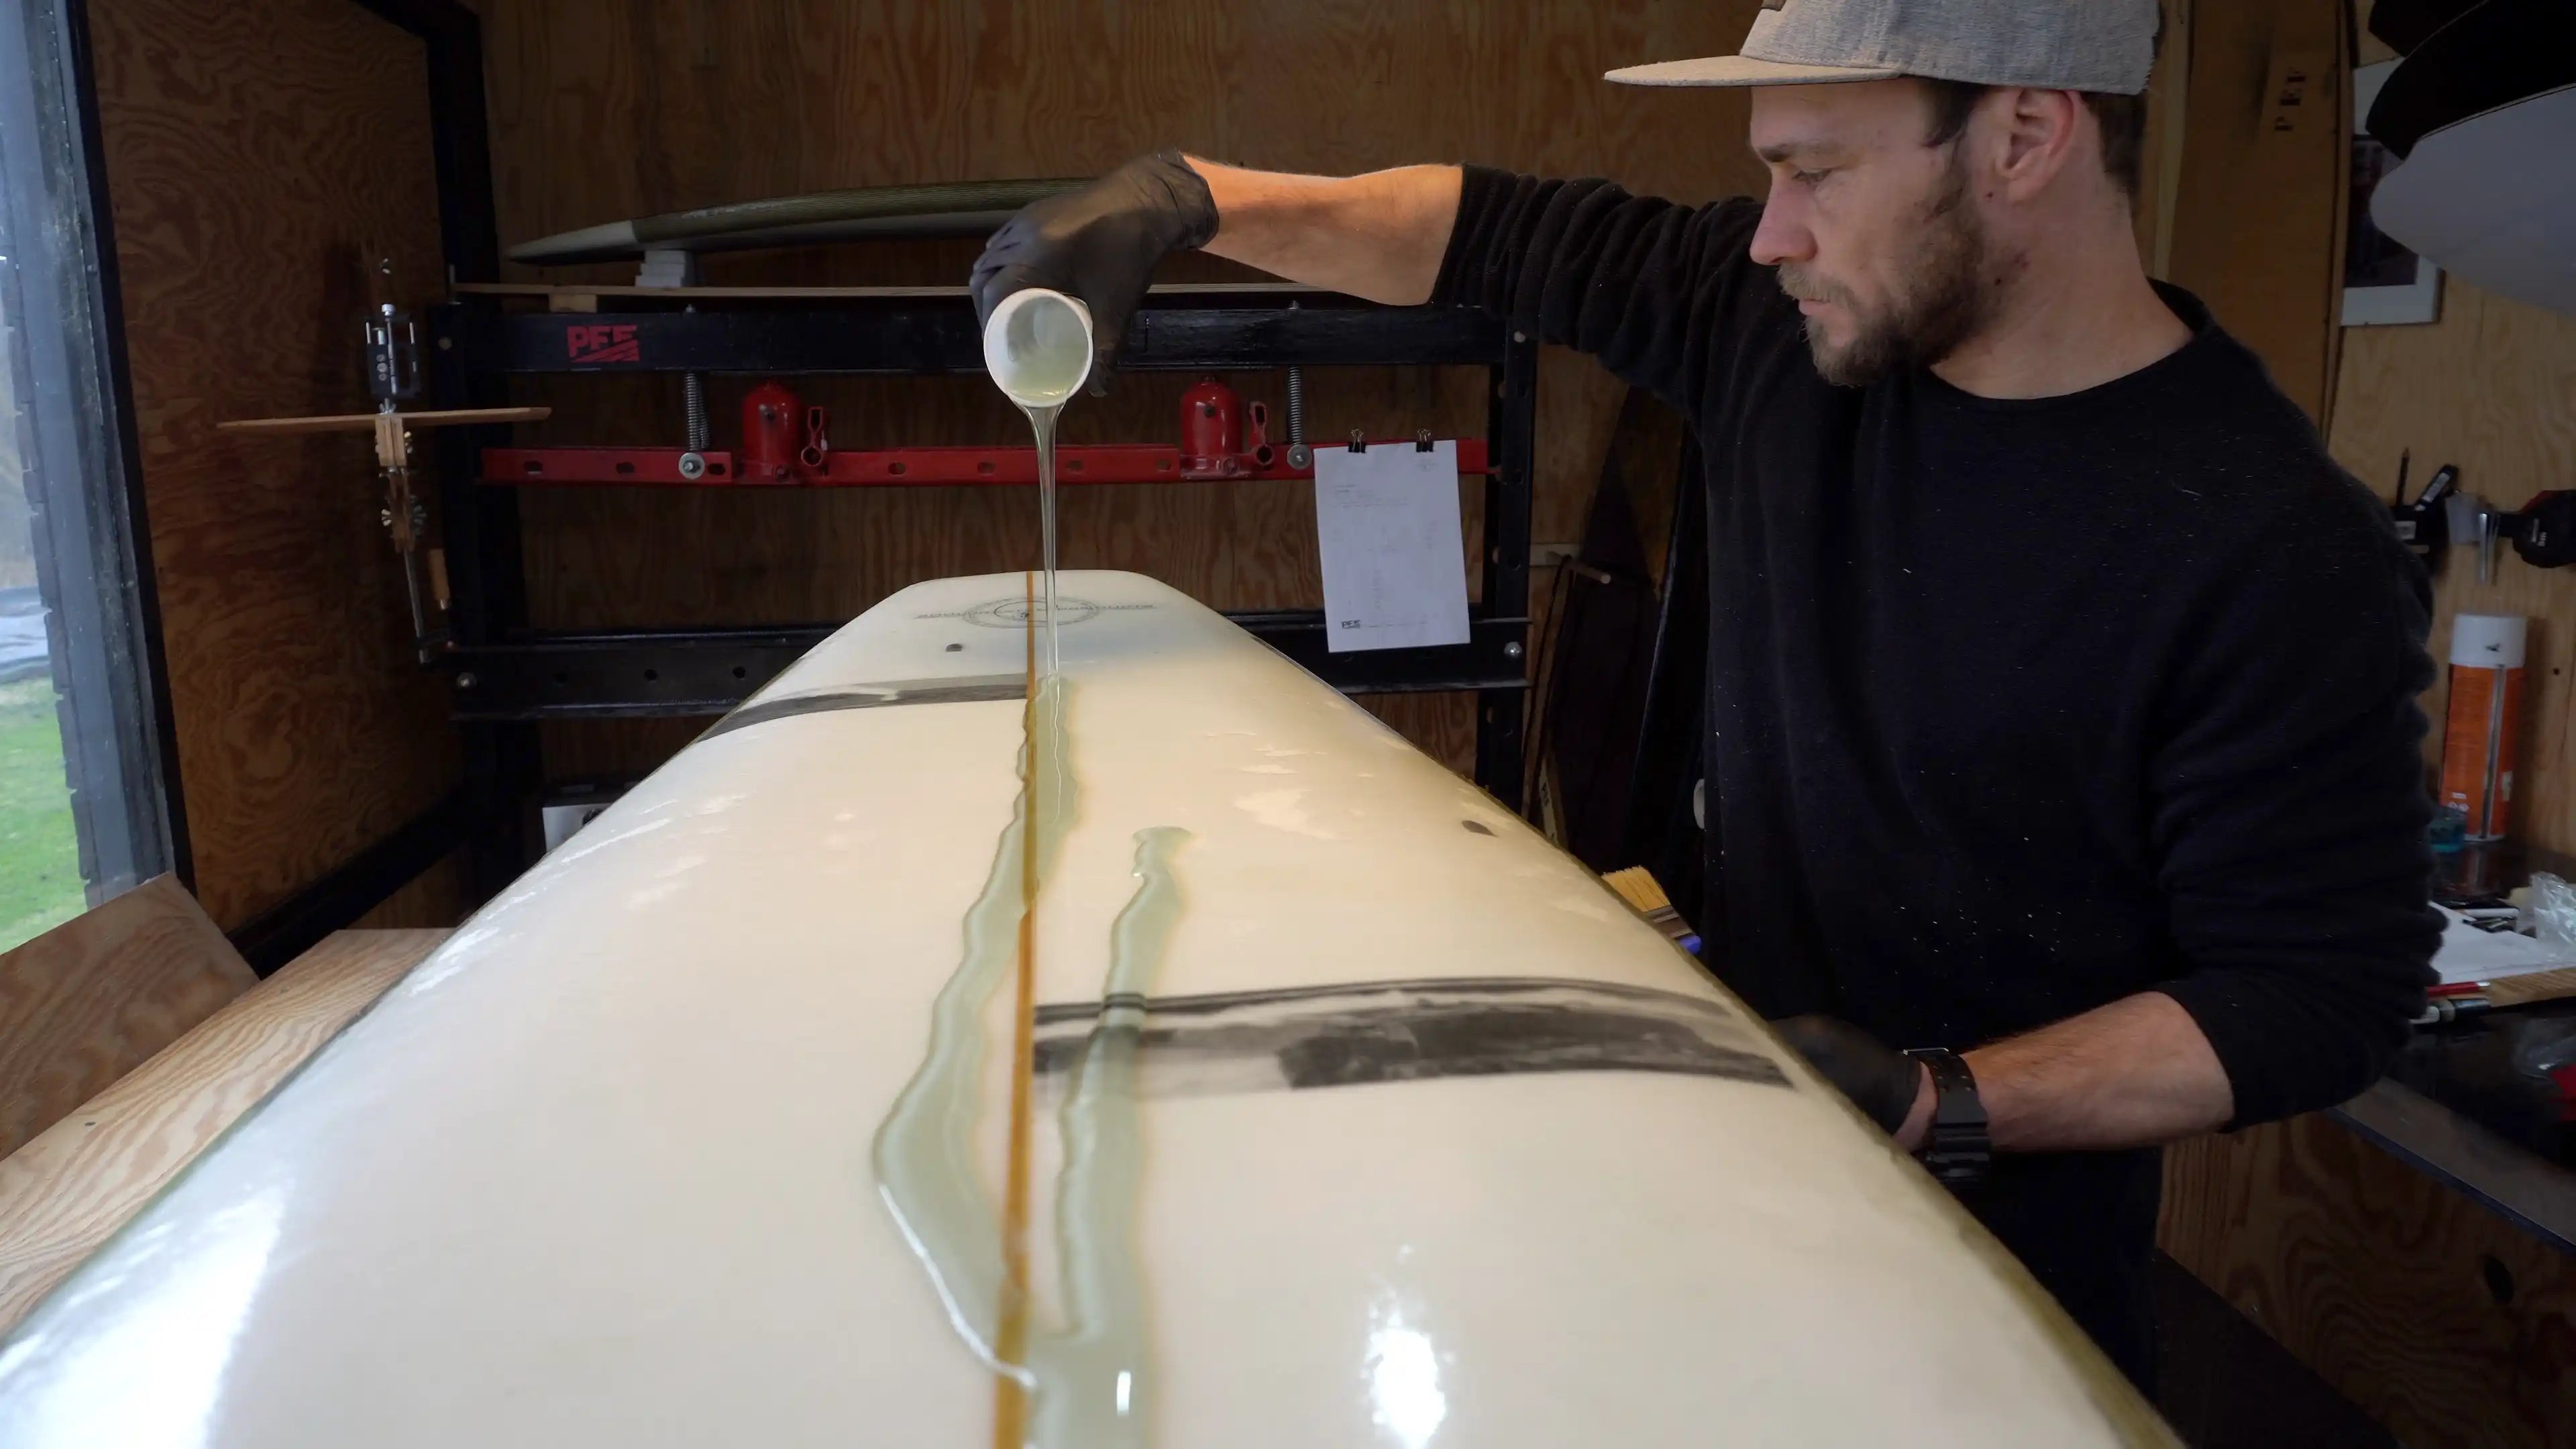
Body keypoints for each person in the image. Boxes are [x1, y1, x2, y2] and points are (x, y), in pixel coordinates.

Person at [969, 0, 2437, 1387]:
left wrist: (1946, 1098)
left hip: (1990, 1309)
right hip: (1720, 1217)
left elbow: (2315, 992)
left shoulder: (2269, 546)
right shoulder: (1786, 334)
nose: (1772, 235)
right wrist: (1192, 199)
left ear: (2024, 139)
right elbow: (1483, 232)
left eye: (1816, 173)